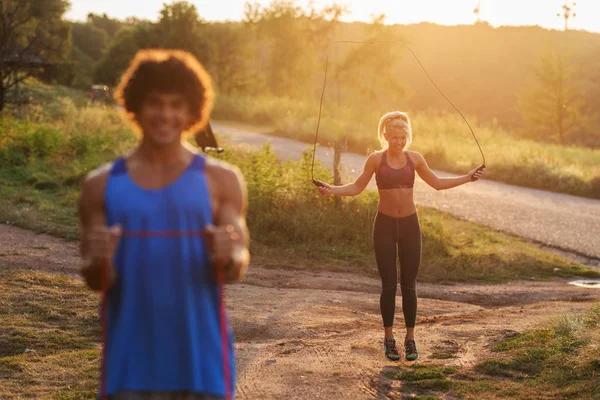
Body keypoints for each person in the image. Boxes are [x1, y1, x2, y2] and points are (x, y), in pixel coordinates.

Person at [78, 49, 250, 399]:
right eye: (155, 103)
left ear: (192, 111)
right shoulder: (99, 186)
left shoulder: (223, 181)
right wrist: (99, 259)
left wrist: (228, 253)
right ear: (137, 106)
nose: (165, 114)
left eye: (176, 104)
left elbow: (237, 265)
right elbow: (97, 279)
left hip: (202, 366)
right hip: (130, 368)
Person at [315, 111, 484, 362]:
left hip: (409, 226)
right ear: (385, 135)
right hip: (383, 226)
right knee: (388, 285)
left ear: (408, 136)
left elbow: (437, 183)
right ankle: (389, 339)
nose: (398, 141)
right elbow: (357, 187)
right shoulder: (375, 159)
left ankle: (410, 338)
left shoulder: (414, 159)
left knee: (409, 285)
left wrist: (468, 178)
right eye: (394, 137)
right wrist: (332, 190)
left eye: (402, 137)